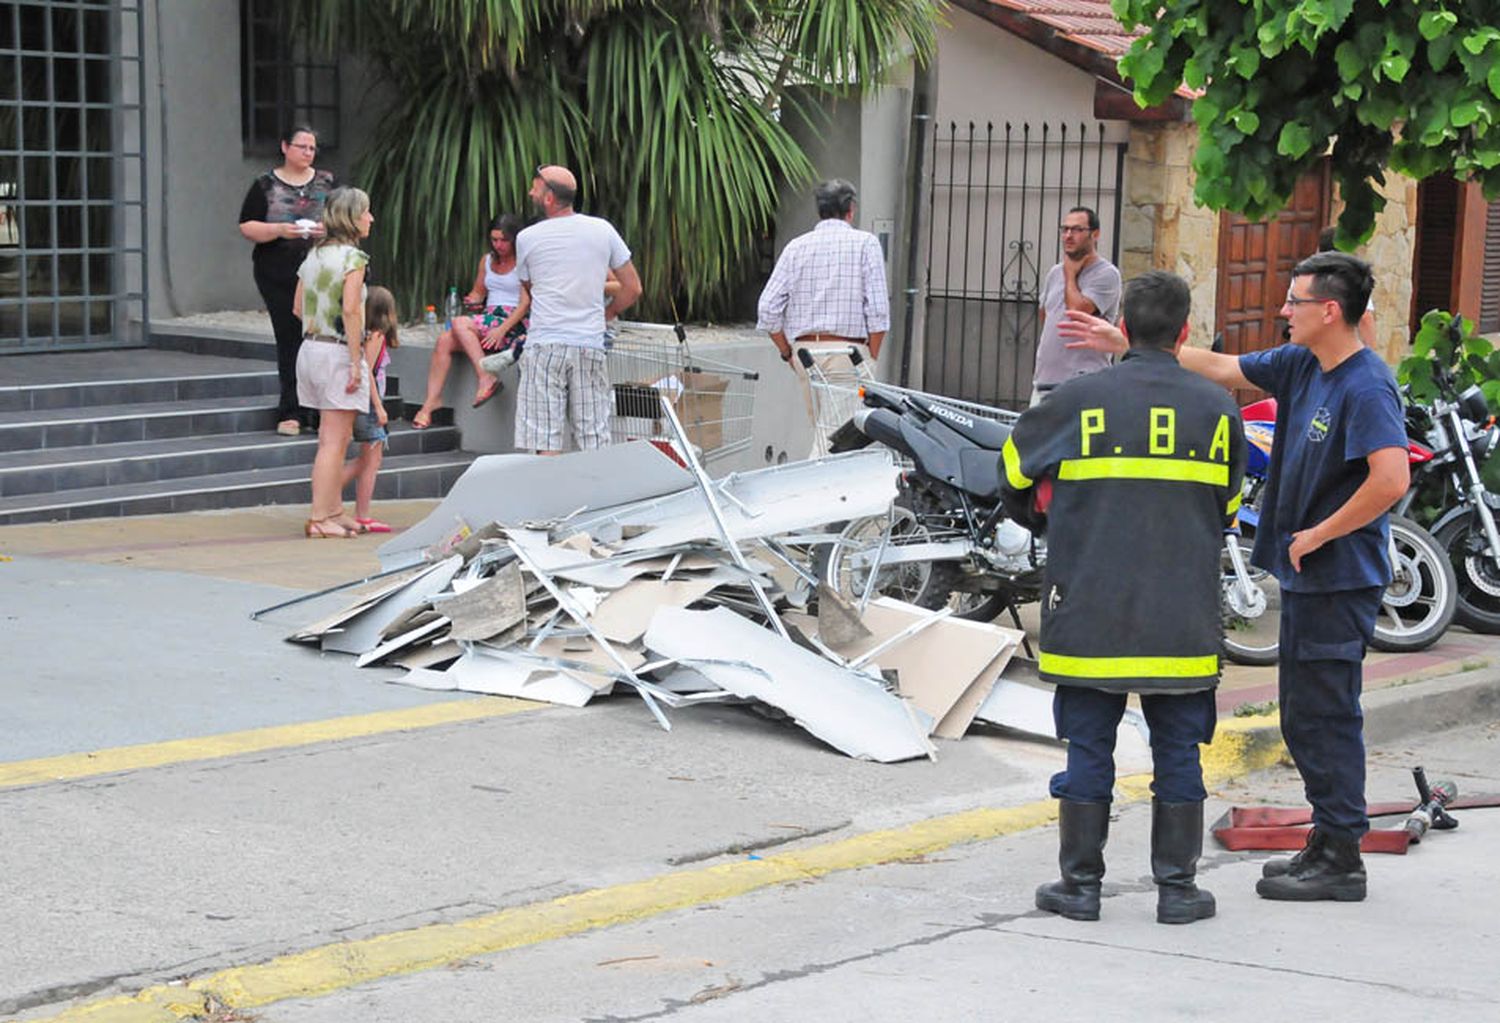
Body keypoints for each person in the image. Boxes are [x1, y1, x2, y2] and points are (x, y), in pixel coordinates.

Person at [1079, 252, 1409, 903]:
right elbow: (1225, 367)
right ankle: (1328, 837)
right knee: (1304, 715)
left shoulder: (1365, 385)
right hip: (1311, 579)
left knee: (1325, 716)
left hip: (1339, 577)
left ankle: (1342, 855)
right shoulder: (1304, 364)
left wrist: (1318, 533)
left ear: (1329, 310)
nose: (1283, 311)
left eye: (1294, 301)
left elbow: (1392, 478)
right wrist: (1132, 347)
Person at [1002, 271, 1245, 925]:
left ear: (1124, 329)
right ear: (1186, 331)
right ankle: (1178, 891)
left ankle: (1079, 887)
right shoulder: (1219, 408)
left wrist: (1049, 516)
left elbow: (1011, 470)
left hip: (1089, 608)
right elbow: (1229, 506)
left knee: (1088, 750)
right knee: (1178, 753)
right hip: (1183, 617)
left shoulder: (1073, 400)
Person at [512, 164, 642, 455]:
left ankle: (551, 500)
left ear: (548, 198)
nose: (531, 190)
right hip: (589, 344)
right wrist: (607, 314)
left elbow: (530, 289)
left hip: (545, 345)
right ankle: (598, 499)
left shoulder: (527, 238)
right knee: (594, 438)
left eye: (535, 186)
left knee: (545, 441)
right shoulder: (603, 230)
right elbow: (633, 288)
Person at [756, 180, 889, 451]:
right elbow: (878, 311)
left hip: (805, 354)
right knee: (834, 443)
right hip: (849, 353)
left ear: (820, 211)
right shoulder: (866, 244)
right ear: (851, 210)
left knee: (826, 431)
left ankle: (828, 489)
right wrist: (870, 357)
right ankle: (807, 489)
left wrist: (787, 353)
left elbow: (768, 309)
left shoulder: (796, 247)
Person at [238, 125, 337, 437]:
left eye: (312, 148)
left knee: (321, 339)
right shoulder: (265, 184)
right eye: (302, 147)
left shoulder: (327, 182)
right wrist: (279, 230)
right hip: (278, 269)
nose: (308, 153)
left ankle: (321, 409)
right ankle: (291, 410)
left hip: (321, 270)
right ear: (285, 147)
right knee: (290, 337)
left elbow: (344, 217)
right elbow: (247, 225)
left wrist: (326, 230)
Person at [292, 186, 374, 539]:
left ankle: (333, 510)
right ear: (353, 218)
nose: (371, 218)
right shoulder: (354, 259)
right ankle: (319, 517)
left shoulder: (313, 257)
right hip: (338, 352)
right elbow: (352, 308)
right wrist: (356, 361)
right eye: (366, 212)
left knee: (332, 439)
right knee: (333, 441)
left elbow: (297, 307)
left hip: (310, 349)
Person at [411, 214, 528, 430]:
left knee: (460, 323)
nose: (499, 245)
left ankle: (486, 378)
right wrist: (473, 300)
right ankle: (431, 402)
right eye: (494, 240)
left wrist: (502, 329)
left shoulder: (523, 262)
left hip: (512, 321)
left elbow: (525, 303)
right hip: (489, 317)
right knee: (445, 340)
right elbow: (478, 292)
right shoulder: (487, 261)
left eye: (504, 240)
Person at [1030, 206, 1122, 405]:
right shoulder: (1055, 272)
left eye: (1077, 230)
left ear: (1095, 234)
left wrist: (1070, 275)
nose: (1068, 236)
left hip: (1083, 385)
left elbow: (1076, 312)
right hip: (1045, 382)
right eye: (1065, 229)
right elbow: (1046, 315)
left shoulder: (1106, 274)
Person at [339, 285, 399, 534]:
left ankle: (337, 499)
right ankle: (337, 498)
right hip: (369, 404)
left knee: (369, 460)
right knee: (370, 461)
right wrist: (379, 407)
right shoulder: (376, 337)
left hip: (365, 403)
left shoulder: (363, 335)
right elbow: (369, 372)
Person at [1317, 227, 1377, 347]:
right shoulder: (1353, 278)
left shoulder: (1303, 276)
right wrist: (1372, 353)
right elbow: (1365, 317)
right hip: (1339, 349)